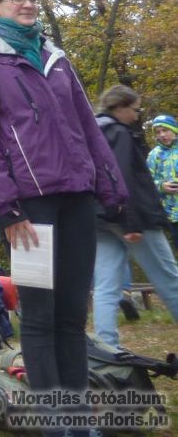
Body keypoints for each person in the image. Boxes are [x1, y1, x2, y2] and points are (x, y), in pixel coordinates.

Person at [0, 0, 126, 434]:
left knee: (71, 317)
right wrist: (7, 209)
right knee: (38, 317)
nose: (28, 5)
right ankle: (54, 425)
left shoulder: (56, 59)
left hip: (77, 200)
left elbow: (88, 128)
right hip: (30, 208)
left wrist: (112, 190)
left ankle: (80, 423)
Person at [92, 85, 178, 349]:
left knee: (106, 286)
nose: (136, 115)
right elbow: (123, 179)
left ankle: (107, 349)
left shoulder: (91, 132)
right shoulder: (119, 133)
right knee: (169, 279)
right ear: (119, 107)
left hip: (100, 219)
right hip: (132, 218)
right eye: (134, 109)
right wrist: (131, 222)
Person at [148, 114, 178, 251]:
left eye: (165, 130)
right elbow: (147, 183)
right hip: (171, 213)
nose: (162, 135)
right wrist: (161, 186)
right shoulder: (154, 155)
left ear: (174, 130)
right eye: (158, 132)